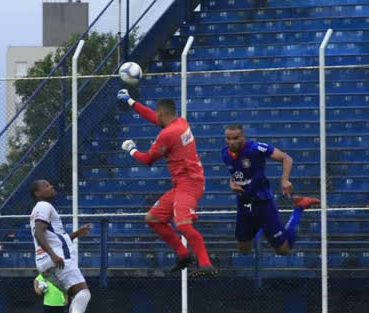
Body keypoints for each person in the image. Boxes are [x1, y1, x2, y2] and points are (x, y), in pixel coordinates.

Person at [117, 90, 216, 276]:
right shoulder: (181, 123)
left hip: (189, 184)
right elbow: (154, 118)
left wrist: (131, 150)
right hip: (184, 184)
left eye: (158, 114)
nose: (156, 117)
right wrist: (131, 102)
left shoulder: (167, 135)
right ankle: (183, 253)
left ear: (162, 114)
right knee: (153, 218)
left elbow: (147, 159)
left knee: (184, 225)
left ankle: (205, 264)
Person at [222, 124, 321, 255]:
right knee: (244, 249)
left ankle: (299, 208)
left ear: (243, 137)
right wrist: (232, 184)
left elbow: (286, 158)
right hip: (244, 203)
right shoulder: (225, 154)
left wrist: (284, 180)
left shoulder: (255, 148)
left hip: (263, 202)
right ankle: (261, 227)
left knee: (283, 250)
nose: (232, 142)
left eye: (235, 138)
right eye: (228, 138)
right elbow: (236, 174)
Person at [30, 179, 91, 313]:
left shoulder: (38, 209)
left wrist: (77, 233)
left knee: (75, 295)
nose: (51, 186)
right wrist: (53, 255)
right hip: (59, 259)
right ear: (38, 193)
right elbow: (39, 232)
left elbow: (55, 238)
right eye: (46, 185)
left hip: (44, 263)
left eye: (51, 184)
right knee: (84, 293)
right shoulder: (44, 206)